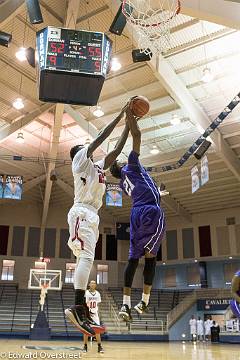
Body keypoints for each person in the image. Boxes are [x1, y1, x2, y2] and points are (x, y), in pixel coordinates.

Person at [65, 103, 132, 335]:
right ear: (79, 153)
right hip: (82, 211)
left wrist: (129, 126)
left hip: (91, 215)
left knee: (88, 259)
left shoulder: (97, 168)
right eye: (84, 147)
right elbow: (101, 138)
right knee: (85, 258)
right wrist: (121, 113)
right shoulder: (79, 161)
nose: (88, 148)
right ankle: (77, 306)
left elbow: (114, 152)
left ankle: (79, 307)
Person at [110, 108, 165, 321]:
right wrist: (131, 116)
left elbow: (144, 187)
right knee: (151, 257)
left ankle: (125, 305)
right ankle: (144, 301)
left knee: (133, 259)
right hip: (151, 212)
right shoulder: (131, 166)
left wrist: (158, 192)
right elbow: (137, 135)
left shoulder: (123, 183)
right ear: (122, 165)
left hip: (135, 215)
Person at [83, 280, 104, 354]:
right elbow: (83, 304)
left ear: (95, 285)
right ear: (89, 284)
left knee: (97, 331)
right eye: (91, 283)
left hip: (95, 314)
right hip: (87, 314)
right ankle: (85, 346)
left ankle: (99, 346)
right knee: (85, 331)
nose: (93, 284)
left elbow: (98, 305)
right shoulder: (86, 293)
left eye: (94, 283)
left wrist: (98, 314)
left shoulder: (98, 293)